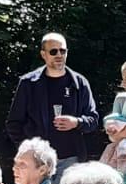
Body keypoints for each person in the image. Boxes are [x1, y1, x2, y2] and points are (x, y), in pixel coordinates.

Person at [5, 32, 99, 168]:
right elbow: (14, 123)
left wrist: (77, 122)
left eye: (63, 51)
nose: (59, 55)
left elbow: (93, 119)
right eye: (54, 51)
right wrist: (27, 150)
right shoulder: (29, 83)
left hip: (71, 159)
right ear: (43, 54)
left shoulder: (79, 83)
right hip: (38, 161)